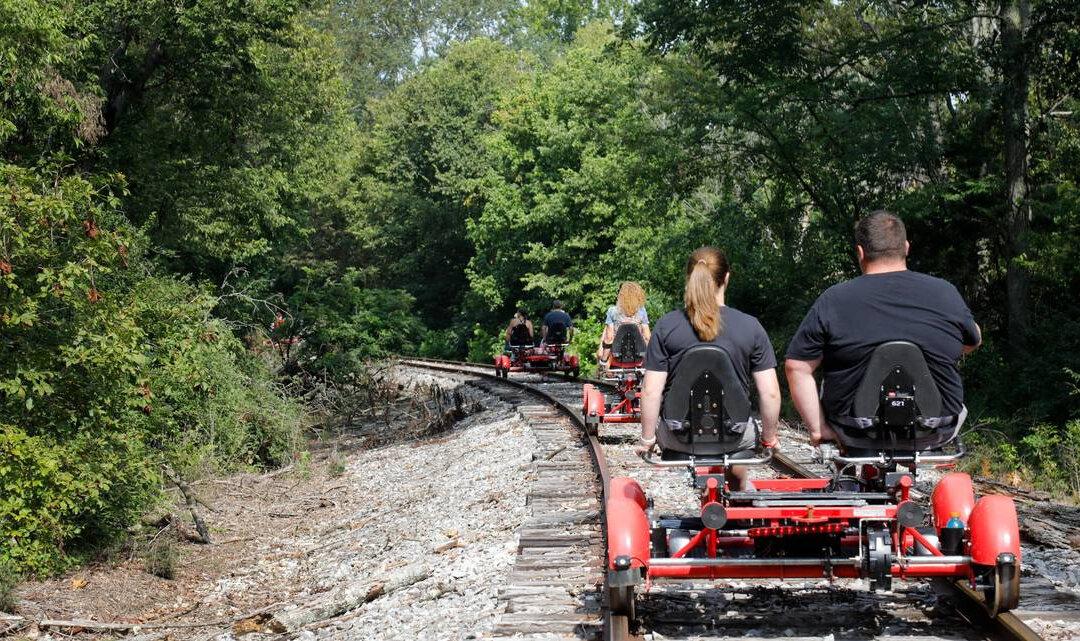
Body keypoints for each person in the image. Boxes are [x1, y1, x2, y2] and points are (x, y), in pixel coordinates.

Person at [785, 210, 982, 447]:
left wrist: (819, 429)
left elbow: (797, 367)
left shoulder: (834, 300)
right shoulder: (945, 292)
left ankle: (847, 475)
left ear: (860, 252)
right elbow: (973, 341)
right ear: (906, 247)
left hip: (855, 429)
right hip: (934, 425)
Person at [635, 247, 781, 490]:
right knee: (746, 434)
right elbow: (771, 394)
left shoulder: (667, 326)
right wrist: (769, 439)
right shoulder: (750, 326)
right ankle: (738, 481)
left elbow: (651, 392)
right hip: (734, 437)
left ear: (689, 278)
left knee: (666, 428)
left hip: (679, 437)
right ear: (726, 278)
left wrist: (647, 439)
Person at [596, 281, 651, 365]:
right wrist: (651, 358)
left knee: (604, 371)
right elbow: (647, 337)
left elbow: (609, 338)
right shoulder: (642, 311)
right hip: (638, 356)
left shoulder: (612, 311)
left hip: (617, 356)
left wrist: (603, 360)